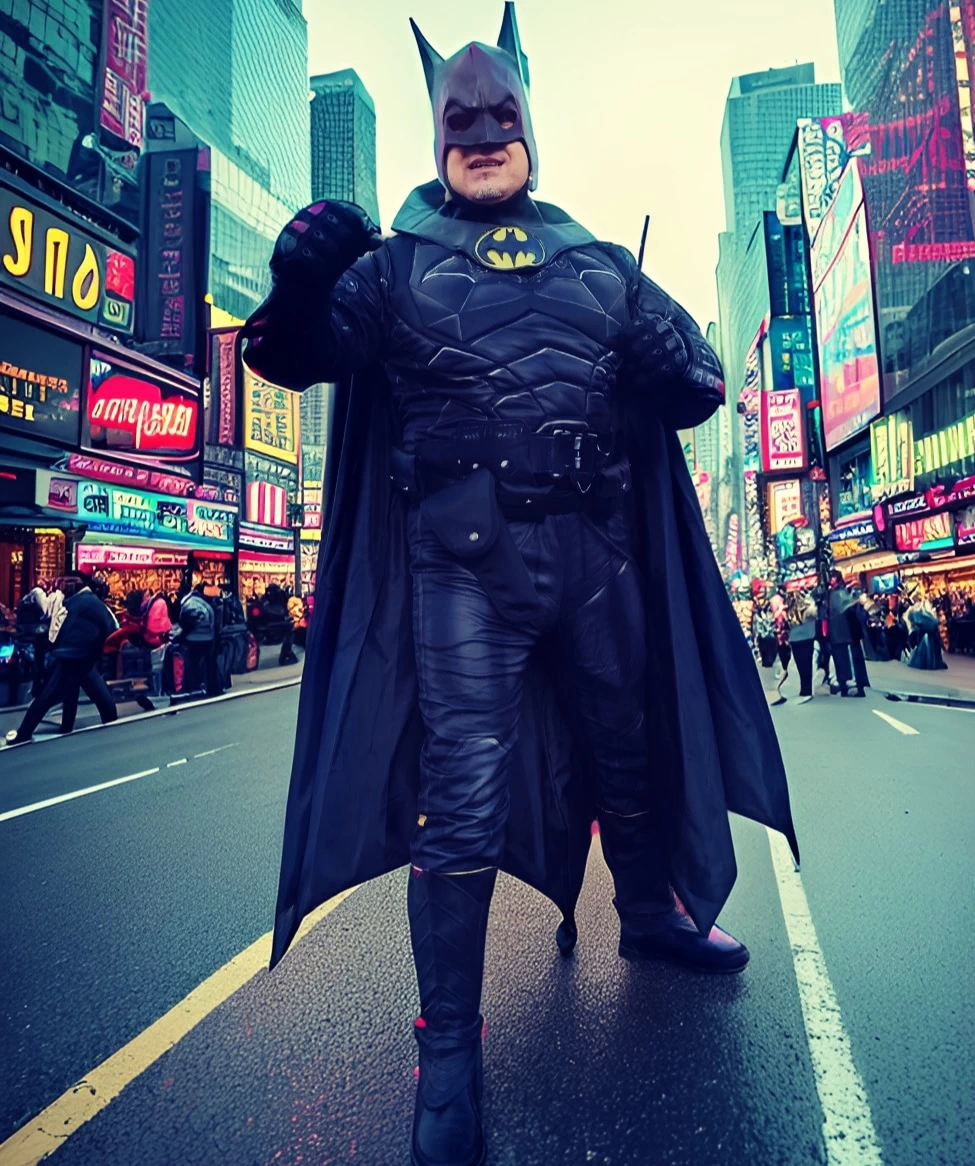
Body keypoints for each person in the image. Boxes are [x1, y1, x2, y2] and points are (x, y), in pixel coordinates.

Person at [241, 10, 798, 1164]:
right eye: (463, 117)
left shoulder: (598, 263)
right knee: (466, 797)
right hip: (462, 568)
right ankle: (447, 1052)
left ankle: (648, 912)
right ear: (438, 130)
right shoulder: (392, 270)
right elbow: (289, 356)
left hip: (597, 554)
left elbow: (698, 383)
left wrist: (673, 355)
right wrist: (299, 286)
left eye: (504, 116)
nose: (486, 133)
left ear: (531, 124)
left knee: (628, 749)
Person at [9, 575, 118, 743]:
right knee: (96, 698)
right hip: (81, 657)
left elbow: (59, 628)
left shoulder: (74, 603)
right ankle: (108, 724)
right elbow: (113, 628)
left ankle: (31, 732)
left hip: (71, 655)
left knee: (50, 696)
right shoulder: (94, 603)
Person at [828, 571, 866, 698]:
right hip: (844, 633)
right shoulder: (838, 593)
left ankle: (854, 684)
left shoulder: (836, 594)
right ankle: (852, 684)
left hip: (844, 633)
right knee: (845, 660)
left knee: (846, 660)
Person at [178, 581, 215, 695]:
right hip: (208, 637)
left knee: (191, 663)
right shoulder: (206, 603)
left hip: (193, 639)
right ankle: (210, 687)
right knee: (208, 664)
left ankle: (192, 686)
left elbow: (186, 622)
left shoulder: (189, 602)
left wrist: (182, 635)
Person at [788, 593, 818, 704]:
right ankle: (805, 689)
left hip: (806, 636)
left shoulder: (809, 601)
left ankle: (807, 690)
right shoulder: (788, 601)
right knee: (802, 665)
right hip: (796, 637)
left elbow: (814, 613)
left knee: (805, 664)